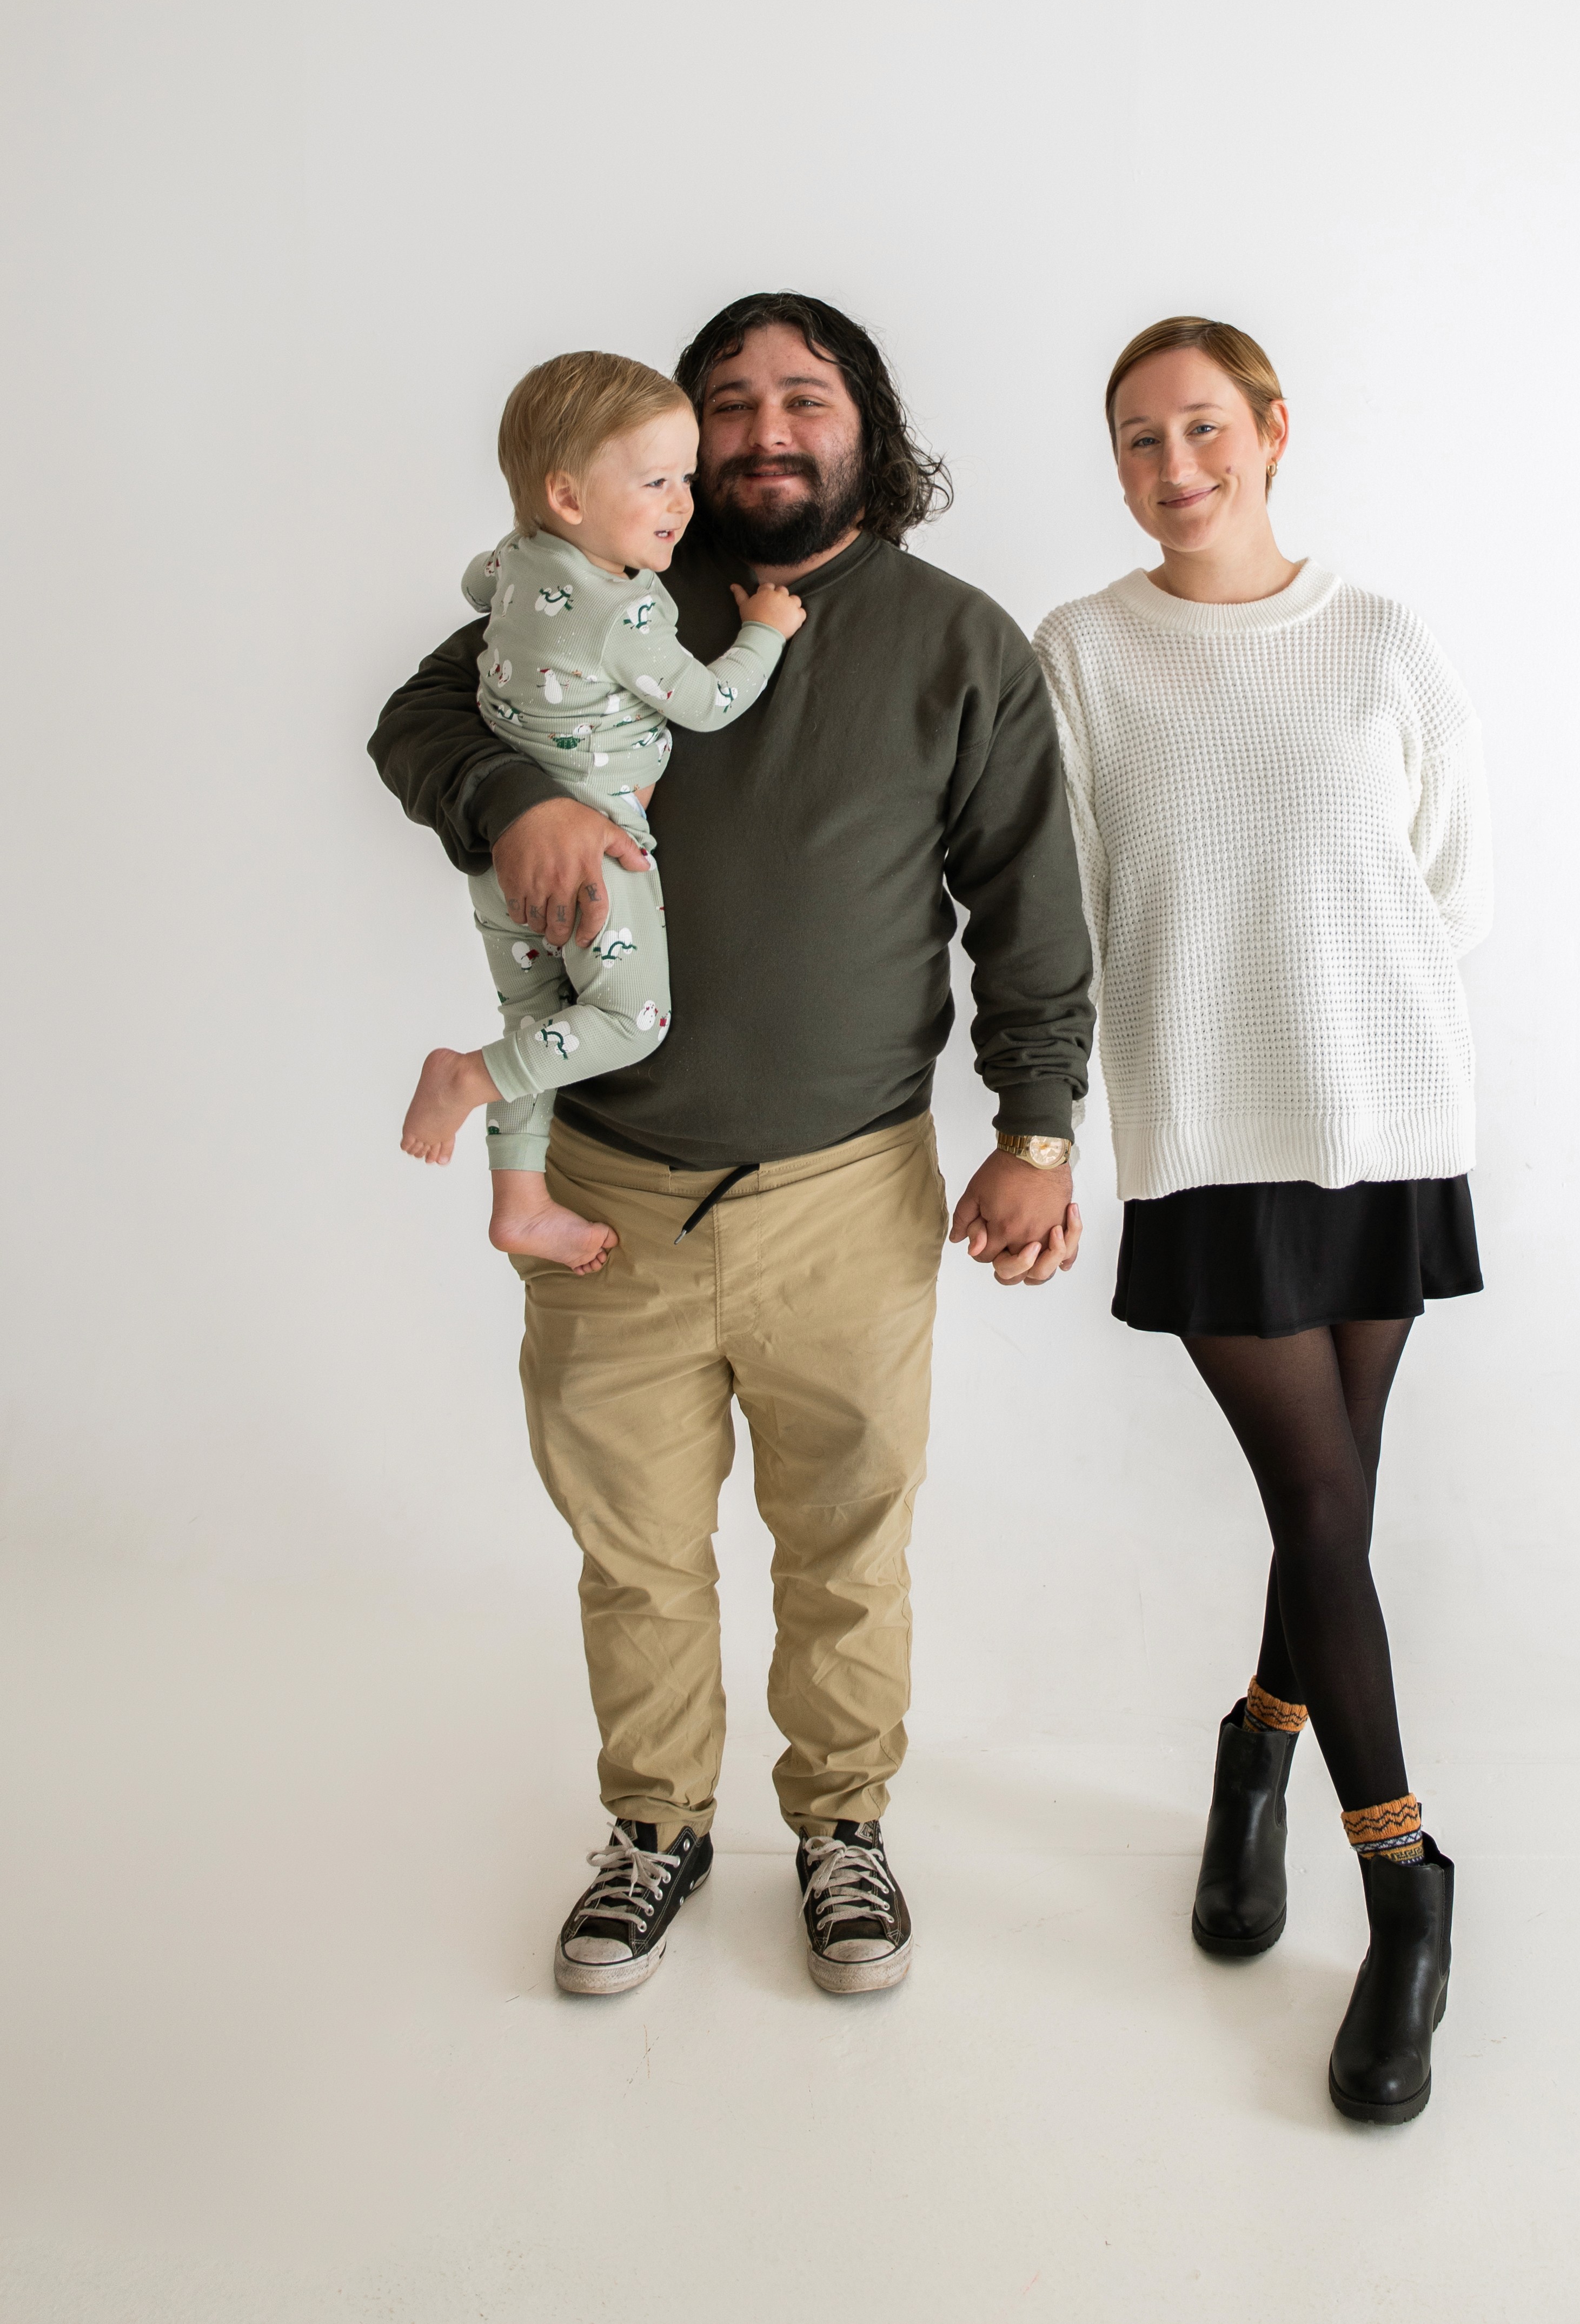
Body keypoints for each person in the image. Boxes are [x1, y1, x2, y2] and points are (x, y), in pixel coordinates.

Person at [370, 294, 1091, 2001]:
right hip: (610, 1189)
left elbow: (1027, 900)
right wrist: (515, 796)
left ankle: (844, 1824)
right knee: (634, 1551)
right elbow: (415, 723)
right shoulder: (605, 579)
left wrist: (1041, 1128)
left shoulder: (956, 641)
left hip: (850, 1191)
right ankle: (655, 1825)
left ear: (866, 426)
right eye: (730, 401)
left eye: (804, 396)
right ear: (675, 442)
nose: (766, 429)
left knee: (848, 1546)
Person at [1032, 316, 1492, 2126]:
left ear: (1273, 430)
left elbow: (1452, 880)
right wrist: (1049, 1125)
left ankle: (1255, 1753)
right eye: (1139, 438)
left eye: (1204, 426)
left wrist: (1357, 1013)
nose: (1175, 464)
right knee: (1318, 1500)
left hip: (1382, 1117)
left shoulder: (1379, 636)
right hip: (1209, 1129)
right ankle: (1409, 1891)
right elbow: (1060, 905)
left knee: (1333, 1505)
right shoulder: (1087, 651)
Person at [400, 349, 805, 1273]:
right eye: (657, 482)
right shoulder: (624, 613)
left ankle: (520, 1205)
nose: (683, 504)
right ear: (569, 496)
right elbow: (708, 703)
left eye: (687, 479)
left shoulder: (514, 560)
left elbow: (474, 586)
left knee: (536, 1023)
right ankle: (463, 1078)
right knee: (630, 1021)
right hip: (594, 861)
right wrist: (765, 631)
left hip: (500, 864)